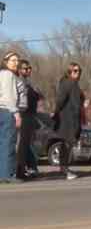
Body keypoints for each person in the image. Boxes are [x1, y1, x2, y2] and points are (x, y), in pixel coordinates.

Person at [53, 63, 84, 180]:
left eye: (79, 71)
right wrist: (56, 112)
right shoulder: (68, 83)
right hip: (68, 119)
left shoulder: (73, 84)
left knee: (67, 144)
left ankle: (63, 168)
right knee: (66, 144)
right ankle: (64, 170)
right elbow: (60, 100)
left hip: (72, 118)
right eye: (75, 71)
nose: (78, 73)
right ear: (69, 71)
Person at [0, 52, 23, 184]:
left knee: (2, 143)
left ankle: (2, 174)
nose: (16, 63)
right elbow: (9, 96)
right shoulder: (9, 75)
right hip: (7, 112)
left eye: (17, 60)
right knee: (8, 143)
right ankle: (7, 175)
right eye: (13, 60)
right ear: (6, 62)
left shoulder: (1, 74)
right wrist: (16, 113)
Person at [17, 59, 40, 180]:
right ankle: (20, 171)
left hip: (31, 115)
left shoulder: (29, 83)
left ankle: (28, 168)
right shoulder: (19, 82)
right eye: (26, 68)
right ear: (20, 70)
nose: (28, 70)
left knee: (26, 144)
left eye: (29, 68)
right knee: (22, 145)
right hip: (23, 115)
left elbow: (39, 96)